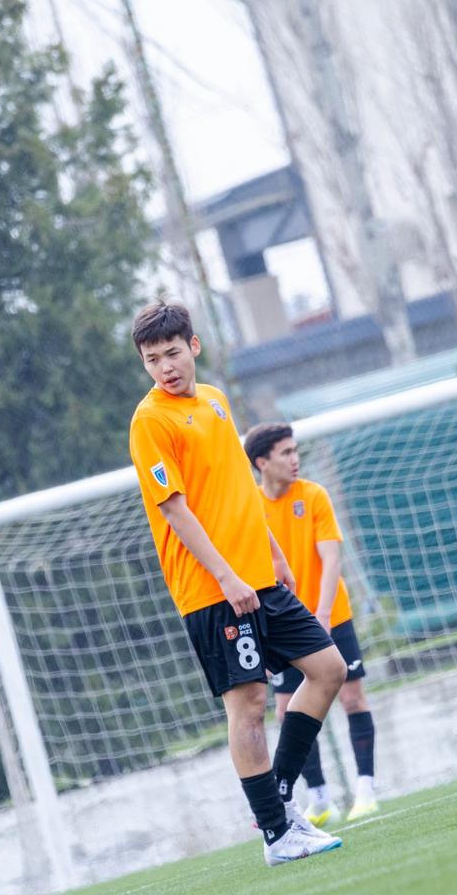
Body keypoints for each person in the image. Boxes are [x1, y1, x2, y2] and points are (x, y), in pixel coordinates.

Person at [128, 301, 348, 865]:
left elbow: (238, 487)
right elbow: (174, 509)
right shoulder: (151, 421)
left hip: (258, 577)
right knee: (248, 705)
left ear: (194, 346)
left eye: (172, 353)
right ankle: (277, 835)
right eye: (152, 360)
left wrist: (272, 551)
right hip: (212, 589)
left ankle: (278, 799)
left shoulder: (215, 401)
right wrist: (226, 577)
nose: (165, 368)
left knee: (329, 669)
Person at [243, 421, 379, 825]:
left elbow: (332, 559)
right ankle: (319, 798)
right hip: (283, 624)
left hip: (331, 615)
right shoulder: (250, 506)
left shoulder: (314, 495)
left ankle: (366, 789)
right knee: (287, 711)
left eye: (295, 450)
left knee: (352, 698)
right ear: (262, 462)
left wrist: (321, 614)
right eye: (285, 452)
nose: (295, 459)